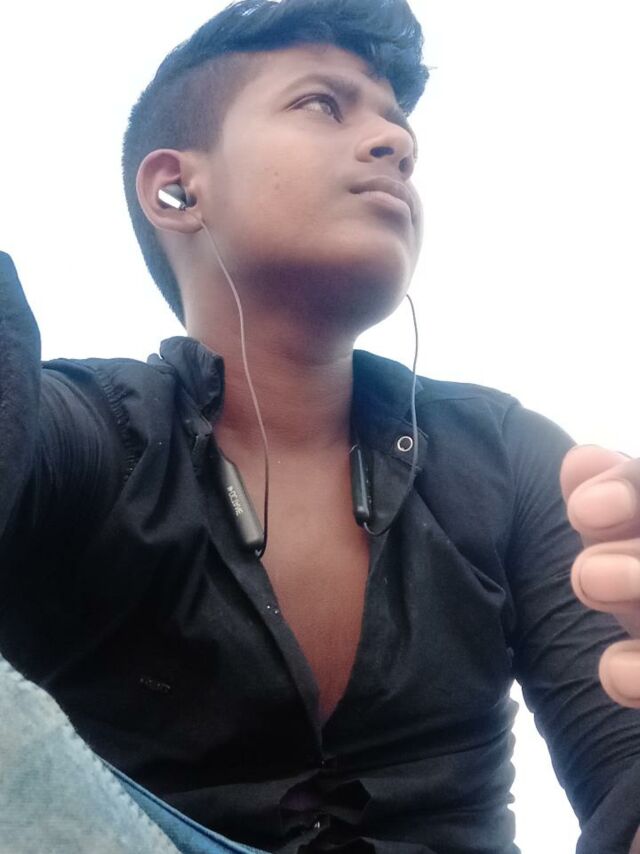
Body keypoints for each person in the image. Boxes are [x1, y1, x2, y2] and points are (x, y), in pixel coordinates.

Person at [1, 0, 640, 851]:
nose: (395, 143)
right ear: (176, 188)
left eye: (399, 125)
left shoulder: (509, 457)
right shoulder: (88, 431)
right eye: (323, 105)